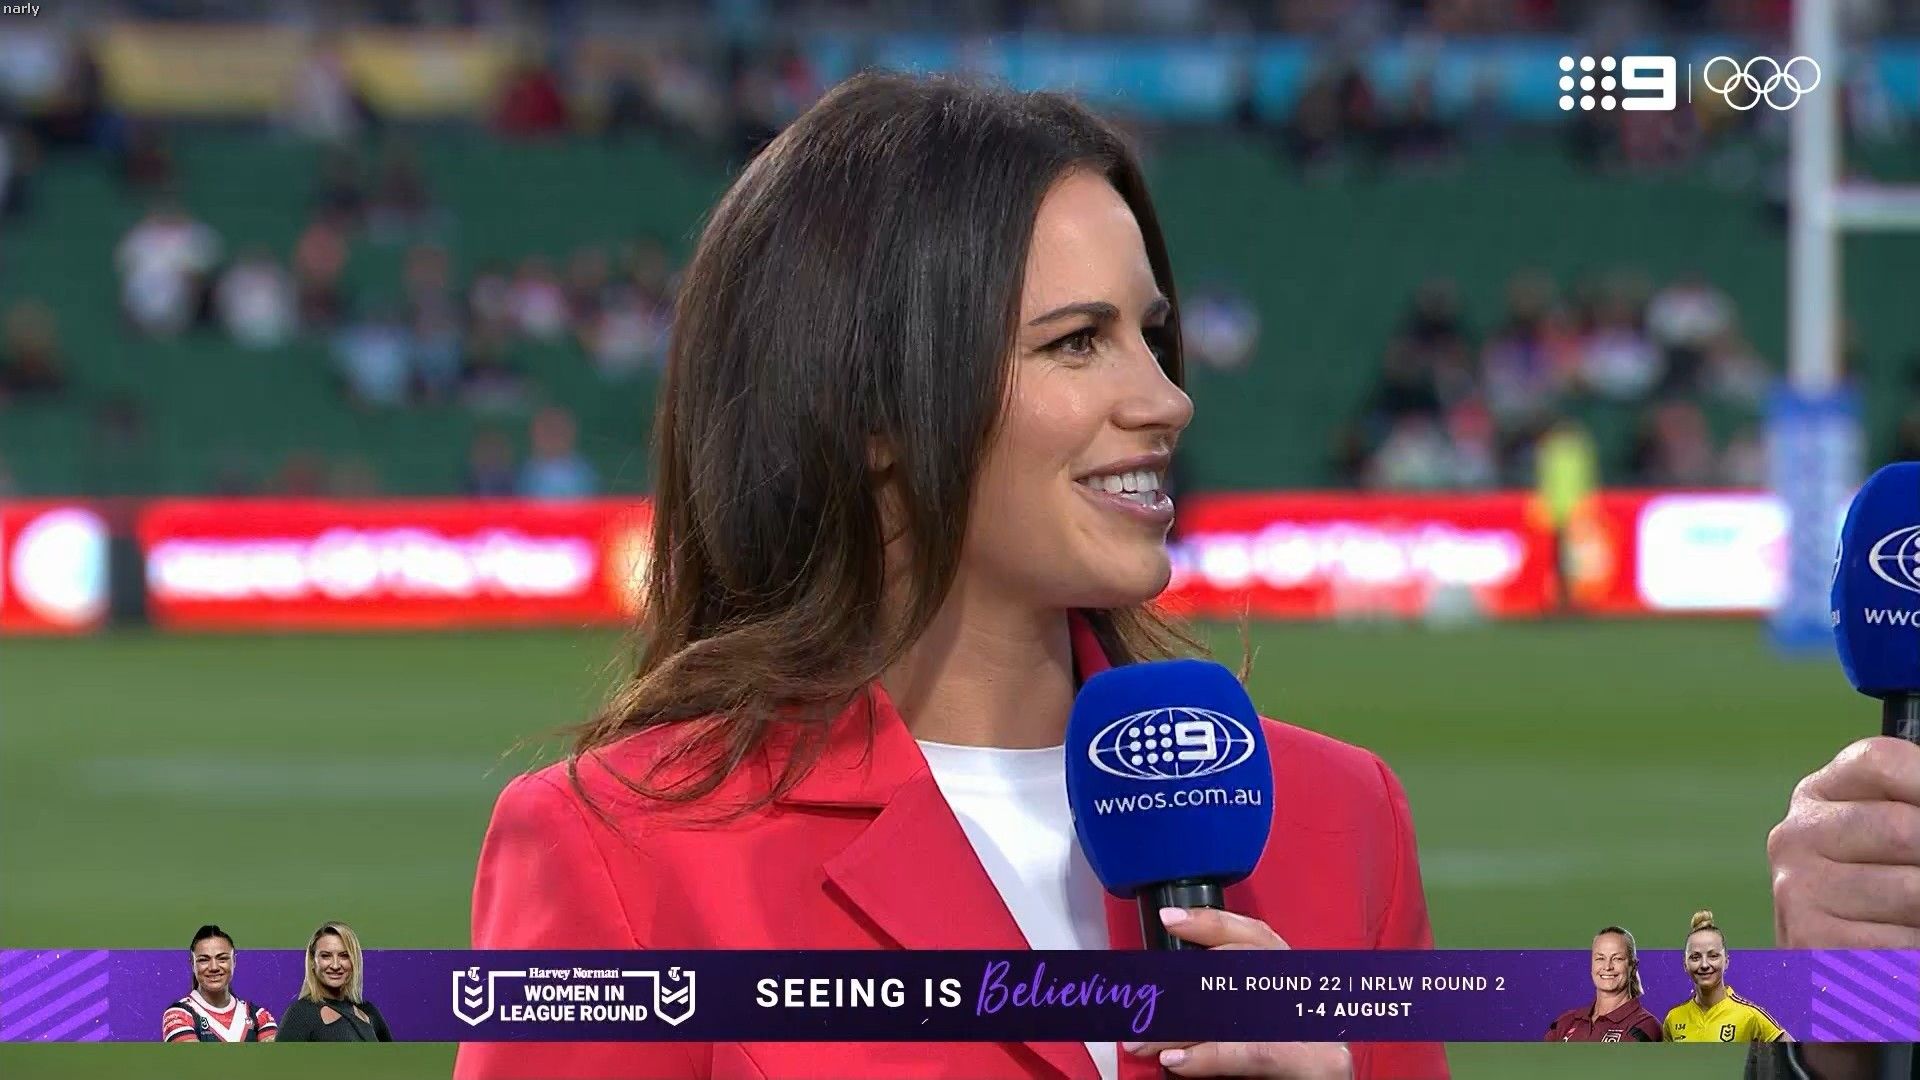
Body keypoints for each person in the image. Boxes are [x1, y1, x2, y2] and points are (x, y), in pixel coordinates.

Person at [456, 72, 1444, 1080]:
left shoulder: (1342, 817)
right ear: (870, 410)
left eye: (1150, 336)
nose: (1166, 399)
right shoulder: (622, 849)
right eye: (1076, 342)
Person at [1662, 910, 1788, 1044]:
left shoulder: (1750, 1015)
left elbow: (1791, 1053)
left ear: (1726, 961)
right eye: (1695, 957)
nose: (1704, 965)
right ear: (1685, 965)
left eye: (1713, 956)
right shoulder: (1673, 1018)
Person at [276, 921, 393, 1042]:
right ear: (312, 961)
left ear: (354, 961)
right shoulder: (300, 1014)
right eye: (326, 956)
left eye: (344, 955)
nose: (335, 965)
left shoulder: (369, 1011)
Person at [1544, 926, 1661, 1042]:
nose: (1607, 967)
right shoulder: (1564, 1022)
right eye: (1600, 958)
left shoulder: (1645, 1026)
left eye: (1617, 958)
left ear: (1633, 966)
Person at [160, 925, 277, 1043]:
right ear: (192, 964)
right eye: (203, 960)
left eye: (222, 958)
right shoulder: (178, 1015)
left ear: (234, 961)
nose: (214, 967)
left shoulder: (260, 1016)